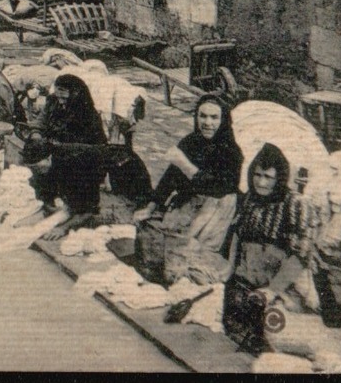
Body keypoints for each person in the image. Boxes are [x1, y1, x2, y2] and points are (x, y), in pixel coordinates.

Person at [133, 95, 245, 285]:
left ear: (223, 120)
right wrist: (151, 208)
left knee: (184, 252)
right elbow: (169, 179)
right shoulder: (191, 142)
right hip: (189, 204)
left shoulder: (231, 152)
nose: (207, 123)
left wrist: (185, 164)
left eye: (214, 117)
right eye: (203, 116)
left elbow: (216, 188)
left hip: (215, 210)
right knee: (155, 240)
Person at [222, 143, 321, 354]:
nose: (260, 182)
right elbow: (238, 239)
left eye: (268, 177)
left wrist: (272, 290)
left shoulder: (296, 205)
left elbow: (300, 256)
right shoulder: (249, 199)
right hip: (248, 282)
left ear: (280, 179)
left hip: (284, 288)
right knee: (229, 325)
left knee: (275, 332)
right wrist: (229, 272)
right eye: (257, 175)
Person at [25, 73, 109, 240]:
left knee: (81, 202)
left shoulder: (87, 116)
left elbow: (81, 147)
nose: (61, 101)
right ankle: (53, 199)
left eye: (64, 97)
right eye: (58, 96)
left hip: (83, 160)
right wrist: (36, 135)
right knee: (33, 150)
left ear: (75, 94)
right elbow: (40, 121)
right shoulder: (54, 101)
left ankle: (70, 211)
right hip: (59, 152)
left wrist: (63, 228)